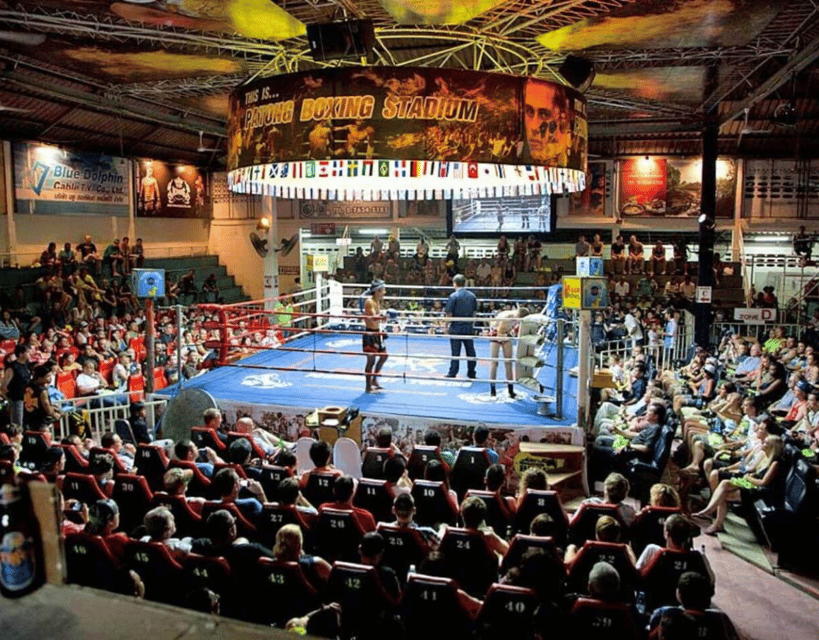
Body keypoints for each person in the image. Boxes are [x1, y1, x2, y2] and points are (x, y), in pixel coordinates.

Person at [488, 306, 528, 398]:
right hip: (496, 333)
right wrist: (511, 334)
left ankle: (511, 389)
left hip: (506, 334)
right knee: (494, 363)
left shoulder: (516, 317)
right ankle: (492, 390)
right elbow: (500, 333)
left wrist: (511, 333)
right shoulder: (507, 317)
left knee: (508, 362)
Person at [445, 274, 477, 379]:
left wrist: (446, 326)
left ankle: (452, 372)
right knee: (470, 351)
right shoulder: (472, 296)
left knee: (455, 352)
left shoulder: (453, 296)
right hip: (468, 327)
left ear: (455, 283)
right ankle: (471, 372)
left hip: (456, 327)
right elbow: (474, 314)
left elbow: (449, 313)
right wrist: (471, 325)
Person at [362, 280, 388, 393]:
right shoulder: (369, 302)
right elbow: (373, 317)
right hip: (370, 334)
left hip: (378, 332)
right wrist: (382, 316)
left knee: (384, 356)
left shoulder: (377, 301)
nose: (384, 292)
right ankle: (368, 387)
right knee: (371, 361)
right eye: (383, 290)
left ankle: (374, 379)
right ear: (377, 291)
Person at [1, 344, 32, 427]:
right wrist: (8, 400)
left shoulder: (26, 366)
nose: (30, 354)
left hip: (27, 399)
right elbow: (3, 386)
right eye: (28, 352)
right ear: (21, 354)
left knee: (25, 424)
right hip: (16, 399)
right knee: (17, 425)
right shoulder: (13, 367)